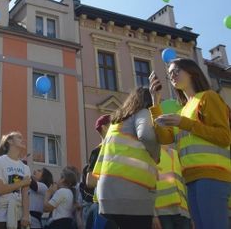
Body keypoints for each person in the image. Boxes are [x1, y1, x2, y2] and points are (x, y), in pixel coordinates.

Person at [150, 58, 231, 229]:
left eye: (176, 71)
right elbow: (164, 138)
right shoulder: (183, 110)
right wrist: (155, 102)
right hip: (191, 178)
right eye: (169, 74)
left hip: (212, 174)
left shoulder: (209, 97)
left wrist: (183, 123)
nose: (172, 76)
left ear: (192, 71)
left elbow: (224, 136)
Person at [92, 87, 160, 229]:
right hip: (132, 192)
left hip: (108, 193)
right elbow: (146, 135)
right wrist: (156, 154)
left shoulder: (116, 122)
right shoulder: (142, 112)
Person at [0, 131, 31, 229]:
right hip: (1, 215)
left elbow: (25, 194)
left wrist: (26, 215)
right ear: (10, 141)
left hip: (19, 216)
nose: (23, 140)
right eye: (19, 137)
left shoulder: (25, 168)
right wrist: (23, 182)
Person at [82, 115, 113, 229]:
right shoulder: (98, 151)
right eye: (113, 124)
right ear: (104, 128)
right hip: (102, 205)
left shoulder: (118, 148)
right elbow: (90, 181)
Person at [152, 145, 190, 229]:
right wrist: (154, 215)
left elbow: (185, 185)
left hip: (183, 212)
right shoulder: (152, 154)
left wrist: (191, 215)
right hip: (162, 212)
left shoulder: (176, 154)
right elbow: (148, 187)